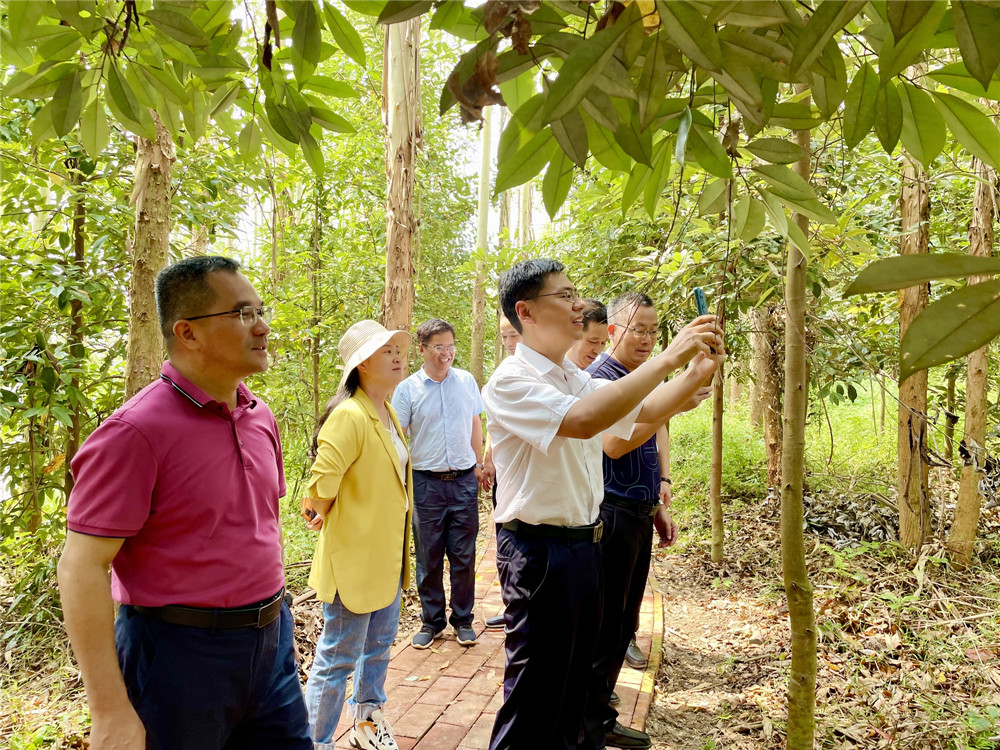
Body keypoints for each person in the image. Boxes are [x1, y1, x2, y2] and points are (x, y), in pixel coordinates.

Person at [57, 256, 310, 750]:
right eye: (241, 314)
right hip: (178, 658)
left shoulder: (259, 417)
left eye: (260, 310)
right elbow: (82, 567)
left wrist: (277, 633)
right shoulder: (134, 433)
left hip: (271, 644)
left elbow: (256, 528)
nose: (262, 327)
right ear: (188, 333)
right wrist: (110, 711)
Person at [482, 259, 721, 750]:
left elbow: (639, 415)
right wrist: (670, 359)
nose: (578, 305)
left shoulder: (572, 376)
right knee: (535, 697)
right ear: (526, 311)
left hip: (583, 547)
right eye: (564, 296)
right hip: (539, 553)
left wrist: (694, 374)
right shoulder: (511, 380)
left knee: (572, 691)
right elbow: (587, 420)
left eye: (576, 293)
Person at [582, 292, 714, 750]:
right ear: (614, 330)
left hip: (636, 509)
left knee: (622, 623)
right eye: (638, 329)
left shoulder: (637, 379)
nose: (646, 338)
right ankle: (591, 721)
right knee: (606, 624)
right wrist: (676, 397)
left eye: (654, 331)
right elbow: (613, 446)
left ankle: (599, 710)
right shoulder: (603, 378)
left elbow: (652, 436)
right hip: (610, 511)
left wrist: (658, 500)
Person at [302, 319, 412, 750]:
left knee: (378, 649)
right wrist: (318, 512)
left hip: (386, 559)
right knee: (338, 657)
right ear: (363, 364)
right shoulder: (349, 414)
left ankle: (366, 726)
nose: (399, 355)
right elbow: (320, 484)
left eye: (398, 349)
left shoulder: (387, 413)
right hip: (353, 560)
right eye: (387, 351)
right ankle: (316, 741)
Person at [392, 319, 486, 648]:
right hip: (425, 484)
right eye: (438, 347)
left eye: (450, 346)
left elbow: (475, 423)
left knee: (464, 555)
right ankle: (431, 622)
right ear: (422, 350)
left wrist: (479, 462)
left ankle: (463, 620)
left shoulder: (466, 381)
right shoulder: (407, 390)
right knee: (429, 556)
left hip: (463, 481)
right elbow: (397, 436)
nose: (446, 353)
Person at [483, 316, 521, 630]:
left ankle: (519, 608)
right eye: (504, 336)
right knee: (503, 542)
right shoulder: (503, 375)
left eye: (512, 335)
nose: (509, 343)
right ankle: (511, 607)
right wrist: (488, 461)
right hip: (506, 477)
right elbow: (494, 431)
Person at [566, 298, 609, 371]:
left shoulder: (603, 371)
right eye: (593, 342)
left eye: (603, 343)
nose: (598, 351)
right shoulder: (552, 370)